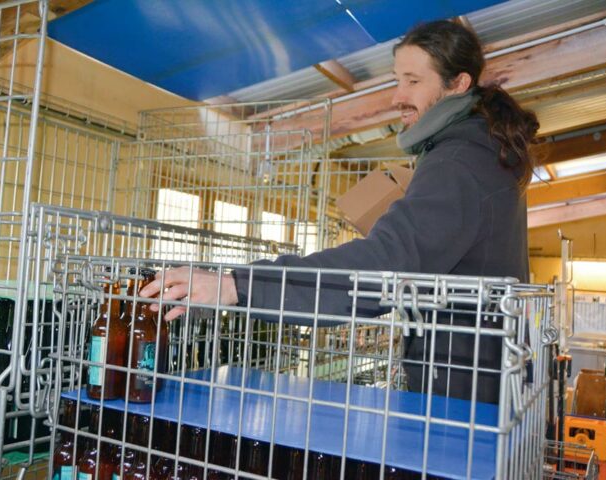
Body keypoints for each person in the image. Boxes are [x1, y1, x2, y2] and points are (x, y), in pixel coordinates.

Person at [141, 20, 539, 403]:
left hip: (466, 397)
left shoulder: (458, 162)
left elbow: (388, 264)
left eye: (413, 82)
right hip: (482, 378)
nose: (397, 96)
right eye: (396, 80)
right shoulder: (478, 150)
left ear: (458, 84)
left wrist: (237, 285)